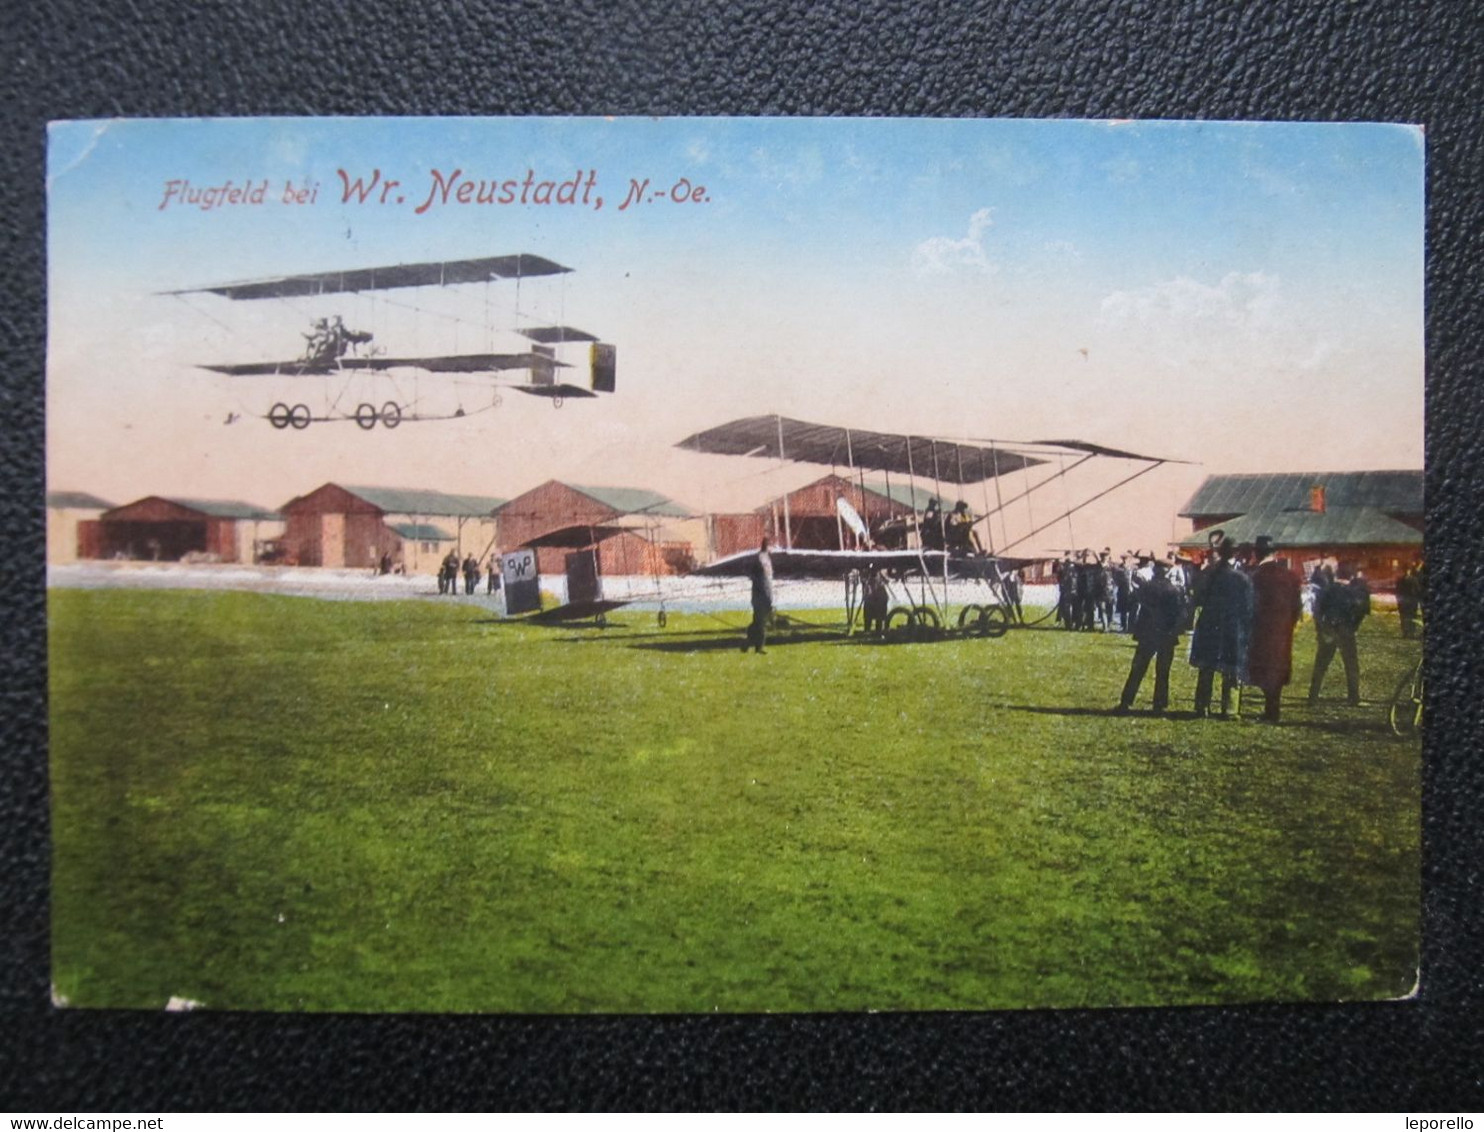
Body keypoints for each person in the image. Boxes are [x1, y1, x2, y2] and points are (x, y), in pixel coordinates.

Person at [1188, 536, 1253, 718]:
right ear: (1236, 553)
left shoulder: (1208, 574)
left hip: (1210, 625)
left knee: (1206, 668)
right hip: (1233, 627)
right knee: (1232, 669)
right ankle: (1230, 709)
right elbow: (1248, 607)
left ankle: (1202, 707)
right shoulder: (1242, 578)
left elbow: (1198, 597)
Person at [1114, 556, 1184, 715]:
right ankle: (1159, 705)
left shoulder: (1145, 587)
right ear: (1168, 571)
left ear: (1155, 570)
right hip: (1166, 634)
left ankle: (1126, 701)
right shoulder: (1173, 590)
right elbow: (1180, 614)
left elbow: (1132, 601)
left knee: (1138, 669)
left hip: (1147, 632)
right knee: (1163, 671)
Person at [1246, 535, 1303, 722]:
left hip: (1261, 630)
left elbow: (1250, 605)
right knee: (1278, 667)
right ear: (1275, 553)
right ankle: (1273, 709)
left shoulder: (1255, 576)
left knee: (1263, 668)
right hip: (1283, 630)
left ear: (1256, 553)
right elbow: (1297, 606)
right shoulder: (1291, 576)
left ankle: (1271, 710)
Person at [1308, 562, 1371, 706]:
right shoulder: (1353, 592)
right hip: (1346, 630)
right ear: (1351, 576)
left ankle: (1312, 697)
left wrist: (1321, 628)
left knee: (1321, 665)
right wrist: (1353, 627)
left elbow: (1317, 611)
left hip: (1328, 629)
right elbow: (1359, 612)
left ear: (1336, 574)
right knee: (1351, 665)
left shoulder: (1327, 590)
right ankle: (1354, 698)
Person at [743, 537, 775, 654]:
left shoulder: (764, 558)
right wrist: (768, 598)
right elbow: (762, 580)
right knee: (761, 623)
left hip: (762, 595)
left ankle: (750, 644)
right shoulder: (761, 559)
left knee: (758, 623)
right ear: (768, 545)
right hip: (761, 596)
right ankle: (754, 645)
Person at [860, 563, 889, 635]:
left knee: (879, 616)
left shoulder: (881, 574)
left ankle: (878, 631)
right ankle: (867, 630)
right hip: (871, 598)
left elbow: (886, 581)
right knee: (868, 615)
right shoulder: (867, 575)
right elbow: (864, 581)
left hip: (879, 597)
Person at [1395, 561, 1422, 638]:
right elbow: (1397, 591)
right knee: (1406, 617)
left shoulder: (1403, 580)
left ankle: (1409, 632)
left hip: (1409, 601)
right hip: (1408, 601)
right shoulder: (1405, 580)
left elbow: (1397, 591)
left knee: (1408, 617)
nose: (1406, 572)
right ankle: (1407, 632)